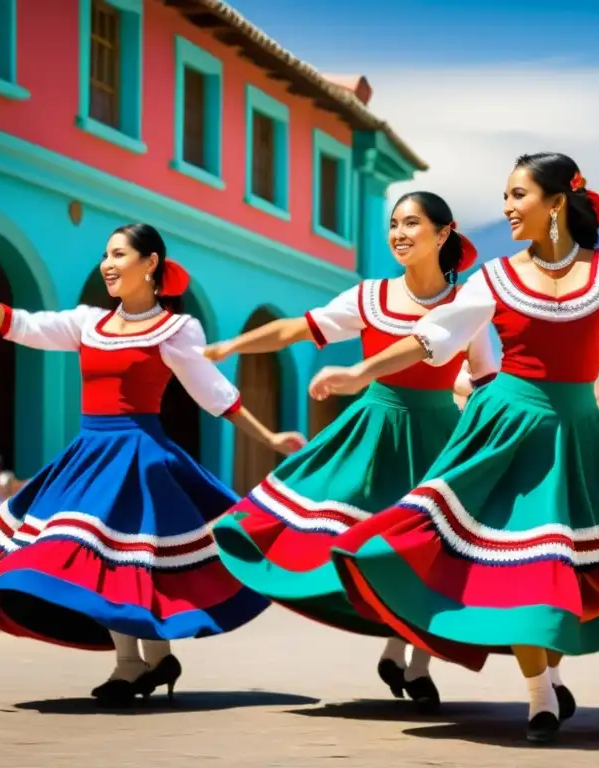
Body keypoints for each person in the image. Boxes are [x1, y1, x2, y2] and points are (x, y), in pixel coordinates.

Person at [311, 152, 599, 743]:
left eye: (518, 195)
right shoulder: (494, 278)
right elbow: (431, 337)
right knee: (524, 565)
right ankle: (539, 695)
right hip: (505, 431)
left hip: (575, 434)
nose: (506, 207)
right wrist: (360, 373)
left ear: (556, 202)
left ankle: (548, 682)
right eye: (505, 197)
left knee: (556, 565)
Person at [0, 223, 305, 707]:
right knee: (96, 556)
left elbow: (215, 394)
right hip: (89, 455)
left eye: (119, 254)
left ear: (150, 264)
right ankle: (148, 660)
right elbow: (17, 325)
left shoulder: (176, 329)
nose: (106, 263)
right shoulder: (87, 323)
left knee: (127, 558)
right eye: (105, 254)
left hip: (140, 457)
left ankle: (138, 663)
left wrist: (269, 437)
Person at [207, 192, 497, 713]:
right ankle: (399, 651)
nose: (400, 233)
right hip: (374, 432)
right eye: (394, 224)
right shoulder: (370, 297)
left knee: (432, 549)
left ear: (443, 233)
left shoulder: (468, 307)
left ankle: (412, 660)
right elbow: (297, 327)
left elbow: (486, 383)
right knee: (357, 533)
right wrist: (233, 346)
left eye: (412, 223)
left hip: (441, 441)